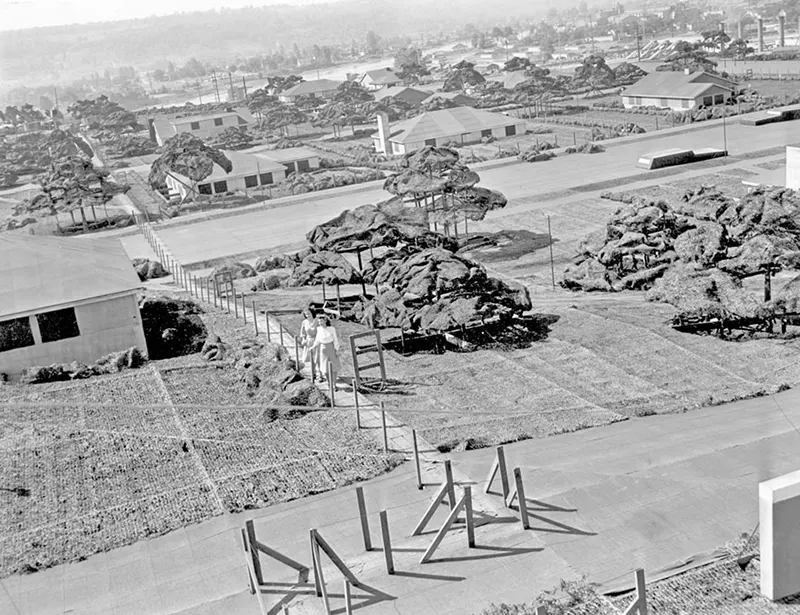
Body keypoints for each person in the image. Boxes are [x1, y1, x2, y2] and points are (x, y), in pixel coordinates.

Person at [312, 314, 341, 384]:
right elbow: (317, 340)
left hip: (331, 348)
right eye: (319, 322)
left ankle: (334, 383)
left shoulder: (331, 329)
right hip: (323, 350)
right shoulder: (319, 329)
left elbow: (335, 340)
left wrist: (336, 349)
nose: (320, 323)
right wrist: (313, 346)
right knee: (325, 368)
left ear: (325, 321)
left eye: (321, 321)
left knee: (334, 367)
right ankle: (329, 382)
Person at [299, 308, 319, 373]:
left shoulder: (317, 321)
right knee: (312, 358)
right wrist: (303, 340)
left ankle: (321, 374)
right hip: (309, 341)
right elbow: (302, 333)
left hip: (317, 340)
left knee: (318, 357)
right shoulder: (304, 322)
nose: (308, 315)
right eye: (306, 314)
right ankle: (314, 373)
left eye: (309, 313)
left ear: (312, 313)